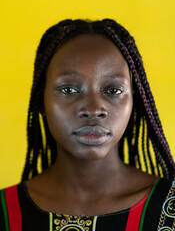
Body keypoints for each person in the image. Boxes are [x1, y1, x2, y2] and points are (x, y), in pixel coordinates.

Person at [0, 19, 175, 231]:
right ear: (42, 102)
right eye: (68, 90)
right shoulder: (5, 211)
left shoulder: (170, 210)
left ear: (134, 101)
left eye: (113, 90)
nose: (93, 109)